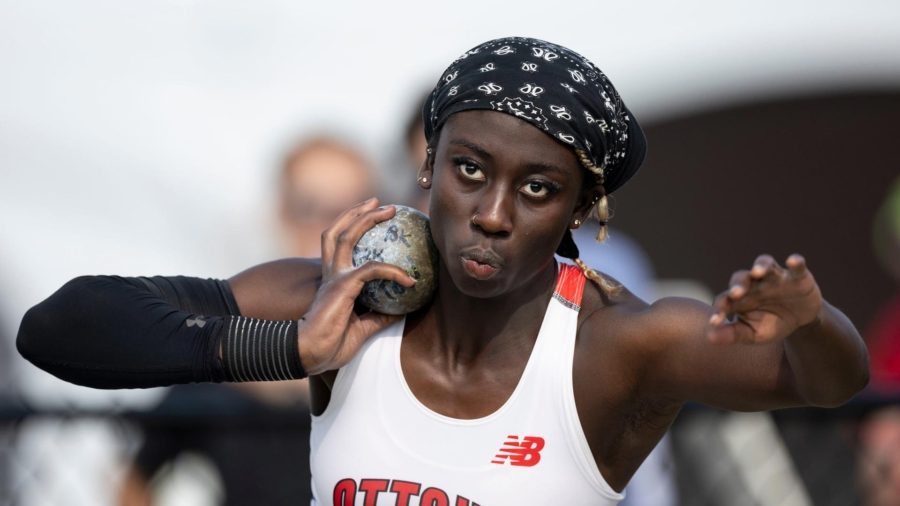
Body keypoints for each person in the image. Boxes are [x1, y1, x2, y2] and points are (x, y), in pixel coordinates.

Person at [16, 37, 869, 505]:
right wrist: (283, 348)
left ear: (581, 210)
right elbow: (56, 328)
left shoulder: (618, 343)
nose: (493, 211)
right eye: (468, 170)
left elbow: (826, 380)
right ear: (427, 168)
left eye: (537, 188)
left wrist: (814, 322)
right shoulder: (344, 299)